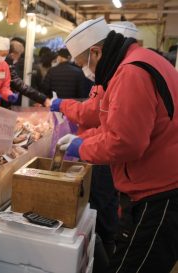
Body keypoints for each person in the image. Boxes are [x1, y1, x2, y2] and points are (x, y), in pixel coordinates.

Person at [57, 16, 178, 273]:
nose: (85, 71)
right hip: (155, 183)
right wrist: (84, 139)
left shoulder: (131, 73)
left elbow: (126, 143)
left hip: (160, 194)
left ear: (96, 52)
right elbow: (118, 126)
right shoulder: (142, 59)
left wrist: (81, 148)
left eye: (82, 64)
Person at [5, 39, 49, 107]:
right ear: (13, 54)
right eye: (19, 55)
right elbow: (18, 83)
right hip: (3, 101)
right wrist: (42, 99)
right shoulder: (7, 64)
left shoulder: (9, 64)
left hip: (8, 99)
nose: (18, 58)